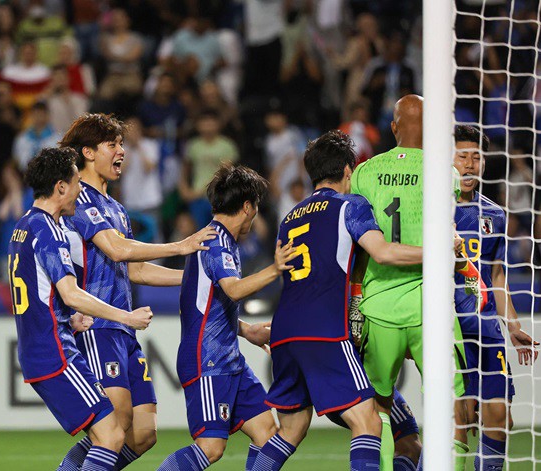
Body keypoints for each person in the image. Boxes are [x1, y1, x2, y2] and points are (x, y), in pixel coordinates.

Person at [252, 130, 424, 470]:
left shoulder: (290, 217)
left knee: (291, 430)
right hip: (325, 331)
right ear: (349, 170)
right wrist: (437, 251)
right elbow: (383, 252)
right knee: (369, 422)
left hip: (285, 330)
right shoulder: (351, 205)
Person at [58, 113, 216, 470]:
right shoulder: (76, 197)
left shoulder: (115, 208)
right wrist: (181, 246)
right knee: (112, 426)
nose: (121, 151)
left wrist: (194, 277)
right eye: (111, 144)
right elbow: (118, 250)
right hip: (96, 324)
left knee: (143, 433)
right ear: (87, 152)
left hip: (123, 328)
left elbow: (136, 268)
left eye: (122, 144)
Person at [9, 146, 153, 470]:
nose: (79, 191)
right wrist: (125, 316)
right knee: (112, 435)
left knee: (113, 431)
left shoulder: (23, 227)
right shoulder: (48, 229)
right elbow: (71, 293)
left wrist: (68, 317)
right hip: (55, 351)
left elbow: (38, 292)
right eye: (75, 183)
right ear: (60, 187)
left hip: (46, 346)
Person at [349, 94, 467, 469]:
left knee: (376, 410)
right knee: (452, 408)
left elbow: (360, 248)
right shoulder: (444, 172)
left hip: (379, 303)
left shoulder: (364, 172)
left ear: (394, 127)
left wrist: (353, 300)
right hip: (430, 305)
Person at [159, 164, 296, 470]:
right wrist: (274, 270)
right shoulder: (215, 241)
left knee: (267, 434)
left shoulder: (220, 240)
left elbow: (209, 303)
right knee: (210, 449)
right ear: (248, 206)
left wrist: (245, 330)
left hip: (228, 358)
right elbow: (233, 290)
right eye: (256, 207)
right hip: (207, 359)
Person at [452, 125, 538, 471]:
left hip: (487, 330)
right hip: (450, 331)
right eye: (462, 157)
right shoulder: (426, 211)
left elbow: (497, 277)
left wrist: (513, 325)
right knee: (458, 421)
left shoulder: (495, 214)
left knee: (500, 420)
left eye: (477, 157)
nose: (470, 165)